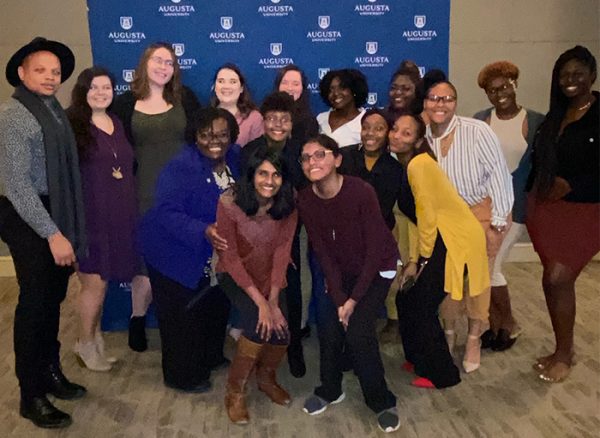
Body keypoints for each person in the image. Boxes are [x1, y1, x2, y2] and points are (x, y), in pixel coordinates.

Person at [0, 37, 86, 429]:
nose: (51, 77)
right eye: (41, 70)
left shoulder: (52, 111)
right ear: (21, 73)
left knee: (52, 297)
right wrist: (53, 234)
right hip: (25, 214)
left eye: (55, 72)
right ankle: (30, 394)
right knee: (34, 305)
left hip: (53, 208)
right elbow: (17, 186)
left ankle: (50, 372)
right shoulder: (12, 116)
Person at [298, 135, 400, 433]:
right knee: (329, 327)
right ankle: (330, 389)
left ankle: (381, 400)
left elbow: (374, 249)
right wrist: (339, 294)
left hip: (376, 268)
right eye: (306, 158)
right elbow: (322, 252)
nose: (312, 162)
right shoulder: (306, 198)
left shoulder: (361, 191)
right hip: (341, 272)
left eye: (320, 155)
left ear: (337, 159)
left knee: (357, 331)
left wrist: (352, 300)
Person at [138, 107, 239, 392]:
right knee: (182, 318)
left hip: (214, 255)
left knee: (214, 307)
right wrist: (203, 230)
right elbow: (166, 212)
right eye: (206, 135)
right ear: (194, 137)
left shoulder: (235, 157)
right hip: (172, 252)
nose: (214, 141)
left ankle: (211, 356)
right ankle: (182, 376)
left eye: (222, 134)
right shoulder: (181, 166)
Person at [112, 42, 201, 352]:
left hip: (183, 193)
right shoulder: (125, 103)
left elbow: (200, 141)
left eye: (170, 62)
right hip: (143, 191)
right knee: (145, 265)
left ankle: (180, 328)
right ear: (144, 64)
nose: (164, 66)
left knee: (181, 260)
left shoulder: (185, 99)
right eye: (158, 60)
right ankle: (137, 318)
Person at [394, 113, 489, 388]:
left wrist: (422, 259)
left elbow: (426, 215)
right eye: (395, 130)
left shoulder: (419, 165)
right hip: (438, 239)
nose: (397, 135)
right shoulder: (408, 165)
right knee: (406, 297)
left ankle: (443, 374)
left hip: (453, 241)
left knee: (422, 305)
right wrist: (413, 259)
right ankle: (417, 358)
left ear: (419, 140)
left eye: (406, 133)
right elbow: (416, 221)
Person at [424, 80, 513, 373]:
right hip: (443, 221)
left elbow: (499, 175)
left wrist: (498, 225)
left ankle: (474, 337)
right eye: (434, 98)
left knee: (478, 283)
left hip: (479, 215)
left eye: (447, 99)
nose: (440, 104)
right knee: (447, 283)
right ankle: (449, 334)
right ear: (425, 102)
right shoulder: (422, 133)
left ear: (456, 102)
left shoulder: (477, 131)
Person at [527, 46, 599, 383]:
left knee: (558, 278)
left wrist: (571, 185)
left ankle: (565, 354)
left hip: (586, 210)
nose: (569, 81)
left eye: (577, 74)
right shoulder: (555, 116)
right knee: (551, 280)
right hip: (546, 211)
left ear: (592, 77)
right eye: (564, 75)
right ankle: (559, 348)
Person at [66, 67, 141, 371]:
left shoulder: (117, 122)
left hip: (119, 216)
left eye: (106, 87)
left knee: (104, 282)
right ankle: (84, 343)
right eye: (94, 88)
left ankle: (93, 339)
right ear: (83, 92)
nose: (100, 93)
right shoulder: (73, 125)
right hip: (90, 218)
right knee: (93, 284)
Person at [217, 149, 297, 424]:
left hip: (270, 276)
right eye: (263, 173)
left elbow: (282, 252)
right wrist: (260, 303)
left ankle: (265, 377)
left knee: (282, 328)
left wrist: (273, 300)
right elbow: (230, 257)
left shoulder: (288, 203)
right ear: (251, 175)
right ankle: (234, 392)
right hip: (235, 274)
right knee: (256, 325)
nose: (269, 181)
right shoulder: (229, 202)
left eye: (276, 175)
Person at [474, 61, 545, 351]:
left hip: (516, 207)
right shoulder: (481, 120)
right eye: (492, 91)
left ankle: (510, 324)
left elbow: (542, 166)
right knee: (484, 267)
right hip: (484, 206)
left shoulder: (538, 121)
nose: (499, 94)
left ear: (515, 84)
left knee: (493, 267)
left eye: (503, 86)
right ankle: (496, 325)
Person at [241, 91, 307, 377]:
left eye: (284, 119)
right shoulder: (249, 150)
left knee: (291, 289)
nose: (278, 124)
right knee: (257, 286)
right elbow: (244, 191)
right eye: (272, 118)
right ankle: (257, 349)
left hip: (291, 230)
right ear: (263, 120)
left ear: (292, 123)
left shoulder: (302, 151)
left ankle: (292, 349)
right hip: (255, 231)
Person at [338, 108, 405, 338]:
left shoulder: (395, 168)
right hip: (345, 237)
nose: (370, 133)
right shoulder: (344, 157)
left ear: (388, 133)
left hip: (379, 238)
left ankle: (372, 326)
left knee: (374, 289)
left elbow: (400, 206)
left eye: (378, 128)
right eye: (366, 127)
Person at [211, 63, 263, 147]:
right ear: (214, 86)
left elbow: (258, 155)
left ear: (241, 88)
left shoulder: (254, 118)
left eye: (233, 82)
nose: (226, 86)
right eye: (221, 81)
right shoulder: (205, 117)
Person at [317, 69, 368, 147]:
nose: (336, 93)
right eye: (331, 90)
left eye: (342, 88)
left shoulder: (366, 121)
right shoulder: (321, 119)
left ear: (354, 90)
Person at [274, 64, 319, 145]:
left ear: (302, 88)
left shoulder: (309, 121)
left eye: (295, 84)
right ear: (278, 86)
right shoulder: (265, 115)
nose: (290, 88)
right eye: (285, 83)